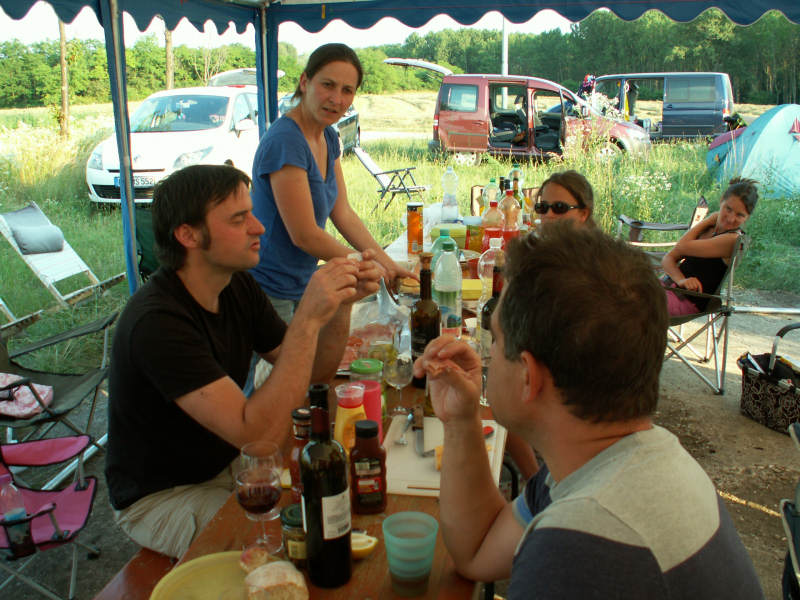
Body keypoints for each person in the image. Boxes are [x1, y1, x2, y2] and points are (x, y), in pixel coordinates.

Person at [414, 223, 764, 598]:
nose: (485, 356)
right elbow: (478, 552)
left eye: (495, 340)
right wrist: (461, 420)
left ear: (529, 377)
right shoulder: (614, 462)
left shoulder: (580, 547)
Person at [105, 164, 380, 558]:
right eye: (239, 219)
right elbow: (258, 434)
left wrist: (340, 306)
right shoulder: (158, 323)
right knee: (277, 547)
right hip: (162, 495)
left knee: (330, 507)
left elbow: (313, 375)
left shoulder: (236, 285)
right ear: (188, 235)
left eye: (251, 213)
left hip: (229, 463)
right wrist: (306, 319)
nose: (259, 227)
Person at [250, 42, 413, 323]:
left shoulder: (327, 136)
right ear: (305, 82)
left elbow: (343, 213)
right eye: (328, 85)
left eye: (347, 90)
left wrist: (387, 263)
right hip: (268, 288)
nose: (336, 99)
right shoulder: (286, 141)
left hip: (302, 282)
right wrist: (365, 265)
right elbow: (304, 235)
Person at [662, 177, 758, 316]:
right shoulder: (710, 229)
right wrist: (681, 280)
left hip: (686, 301)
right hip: (668, 288)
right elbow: (668, 258)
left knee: (634, 302)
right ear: (721, 201)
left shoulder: (732, 240)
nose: (731, 218)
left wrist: (710, 219)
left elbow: (681, 246)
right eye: (728, 209)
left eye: (740, 215)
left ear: (747, 218)